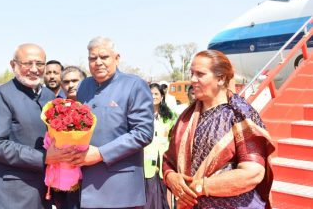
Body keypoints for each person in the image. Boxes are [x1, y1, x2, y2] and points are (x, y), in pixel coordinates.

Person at [47, 36, 154, 208]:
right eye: (92, 58)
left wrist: (101, 154)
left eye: (104, 57)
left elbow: (143, 133)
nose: (98, 62)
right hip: (83, 185)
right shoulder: (84, 86)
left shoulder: (134, 85)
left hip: (119, 189)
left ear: (116, 58)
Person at [162, 50, 275, 209]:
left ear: (221, 78)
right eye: (192, 73)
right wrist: (171, 177)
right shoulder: (186, 118)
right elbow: (169, 160)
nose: (192, 79)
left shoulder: (240, 114)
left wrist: (200, 187)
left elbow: (253, 172)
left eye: (200, 74)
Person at [0, 43, 55, 209]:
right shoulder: (0, 96)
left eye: (40, 64)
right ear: (13, 65)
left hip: (43, 190)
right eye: (27, 63)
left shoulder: (49, 96)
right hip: (10, 193)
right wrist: (44, 157)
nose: (34, 69)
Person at [144, 83, 177, 209]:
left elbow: (174, 138)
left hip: (164, 162)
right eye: (150, 94)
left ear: (162, 97)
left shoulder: (170, 117)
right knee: (149, 197)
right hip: (146, 162)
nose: (153, 96)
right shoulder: (141, 116)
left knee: (164, 198)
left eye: (156, 94)